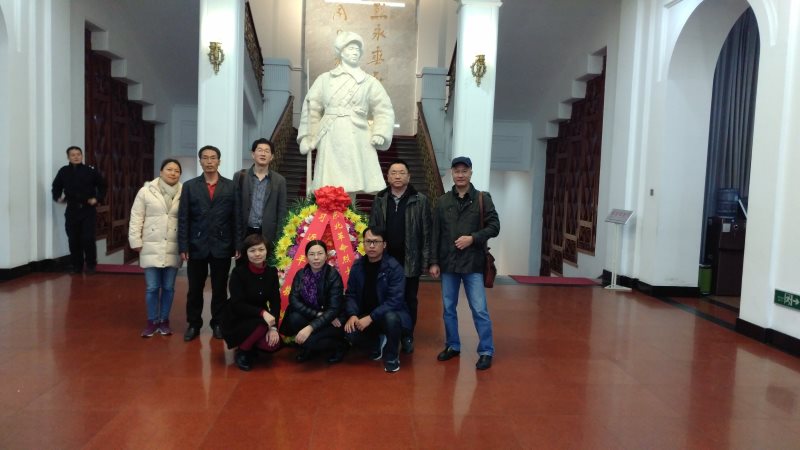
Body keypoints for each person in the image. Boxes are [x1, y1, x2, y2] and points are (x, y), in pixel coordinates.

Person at [298, 31, 395, 194]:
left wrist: (380, 132)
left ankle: (349, 211)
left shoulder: (369, 82)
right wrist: (307, 136)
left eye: (358, 49)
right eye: (350, 48)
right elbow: (311, 109)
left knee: (352, 184)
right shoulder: (324, 79)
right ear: (341, 52)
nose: (355, 52)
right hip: (331, 134)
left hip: (357, 135)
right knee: (330, 184)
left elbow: (384, 109)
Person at [429, 156, 500, 371]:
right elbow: (435, 234)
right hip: (448, 263)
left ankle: (486, 351)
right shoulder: (442, 201)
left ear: (470, 173)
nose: (460, 175)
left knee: (479, 309)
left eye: (464, 171)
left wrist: (473, 238)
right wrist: (433, 262)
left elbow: (494, 226)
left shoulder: (482, 199)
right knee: (448, 308)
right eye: (457, 171)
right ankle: (453, 345)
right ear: (452, 173)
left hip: (473, 263)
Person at [368, 159, 431, 353]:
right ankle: (383, 333)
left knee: (409, 299)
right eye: (393, 173)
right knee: (382, 296)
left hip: (410, 259)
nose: (397, 176)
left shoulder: (420, 200)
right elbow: (372, 228)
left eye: (401, 173)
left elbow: (426, 232)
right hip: (384, 259)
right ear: (387, 177)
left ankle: (407, 335)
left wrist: (427, 261)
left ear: (408, 177)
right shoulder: (380, 199)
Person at [178, 145, 238, 342]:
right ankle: (194, 324)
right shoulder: (190, 186)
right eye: (205, 158)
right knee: (195, 289)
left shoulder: (230, 186)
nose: (209, 161)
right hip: (197, 245)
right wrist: (183, 246)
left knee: (220, 289)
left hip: (222, 245)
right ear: (200, 161)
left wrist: (237, 244)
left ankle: (218, 323)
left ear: (219, 161)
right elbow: (184, 218)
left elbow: (236, 217)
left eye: (213, 158)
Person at [342, 227, 411, 373]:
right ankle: (377, 342)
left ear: (384, 244)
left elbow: (395, 301)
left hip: (390, 316)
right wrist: (353, 314)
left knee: (391, 318)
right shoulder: (357, 266)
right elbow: (351, 294)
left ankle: (392, 356)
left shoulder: (394, 268)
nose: (372, 246)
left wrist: (371, 317)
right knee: (349, 332)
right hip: (366, 315)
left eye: (376, 242)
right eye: (368, 242)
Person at [128, 159, 184, 337]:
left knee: (168, 287)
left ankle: (164, 320)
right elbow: (136, 216)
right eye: (169, 169)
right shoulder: (146, 191)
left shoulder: (184, 192)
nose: (173, 173)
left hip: (174, 245)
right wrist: (135, 241)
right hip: (151, 244)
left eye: (177, 170)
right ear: (161, 171)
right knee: (152, 287)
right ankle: (152, 321)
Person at [279, 240, 347, 363]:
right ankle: (311, 346)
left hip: (333, 320)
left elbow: (334, 309)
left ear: (326, 256)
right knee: (294, 317)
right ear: (306, 257)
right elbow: (293, 300)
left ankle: (340, 346)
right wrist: (317, 314)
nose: (316, 258)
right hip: (315, 315)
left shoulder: (333, 275)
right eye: (311, 254)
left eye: (320, 253)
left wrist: (310, 327)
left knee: (308, 341)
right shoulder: (301, 274)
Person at [221, 234, 281, 372]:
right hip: (237, 316)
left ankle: (252, 342)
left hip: (259, 317)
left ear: (267, 251)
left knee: (272, 345)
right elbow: (237, 304)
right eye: (252, 250)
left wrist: (273, 328)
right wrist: (263, 313)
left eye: (261, 249)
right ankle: (243, 351)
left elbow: (275, 301)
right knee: (262, 324)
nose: (257, 254)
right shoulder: (238, 273)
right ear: (246, 253)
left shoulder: (271, 272)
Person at [51, 146, 107, 274]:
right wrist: (57, 197)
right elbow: (56, 186)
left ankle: (91, 264)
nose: (76, 157)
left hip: (88, 209)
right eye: (73, 155)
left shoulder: (90, 171)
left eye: (78, 154)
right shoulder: (63, 171)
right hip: (72, 209)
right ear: (68, 157)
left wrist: (97, 198)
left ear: (82, 156)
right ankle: (77, 265)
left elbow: (103, 186)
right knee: (73, 238)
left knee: (88, 238)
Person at [233, 138, 287, 264]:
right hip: (245, 232)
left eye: (267, 151)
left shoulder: (279, 181)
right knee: (243, 269)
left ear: (272, 156)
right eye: (260, 150)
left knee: (266, 270)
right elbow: (235, 209)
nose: (263, 154)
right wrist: (236, 241)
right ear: (253, 154)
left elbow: (282, 212)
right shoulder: (240, 176)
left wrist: (279, 240)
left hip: (267, 234)